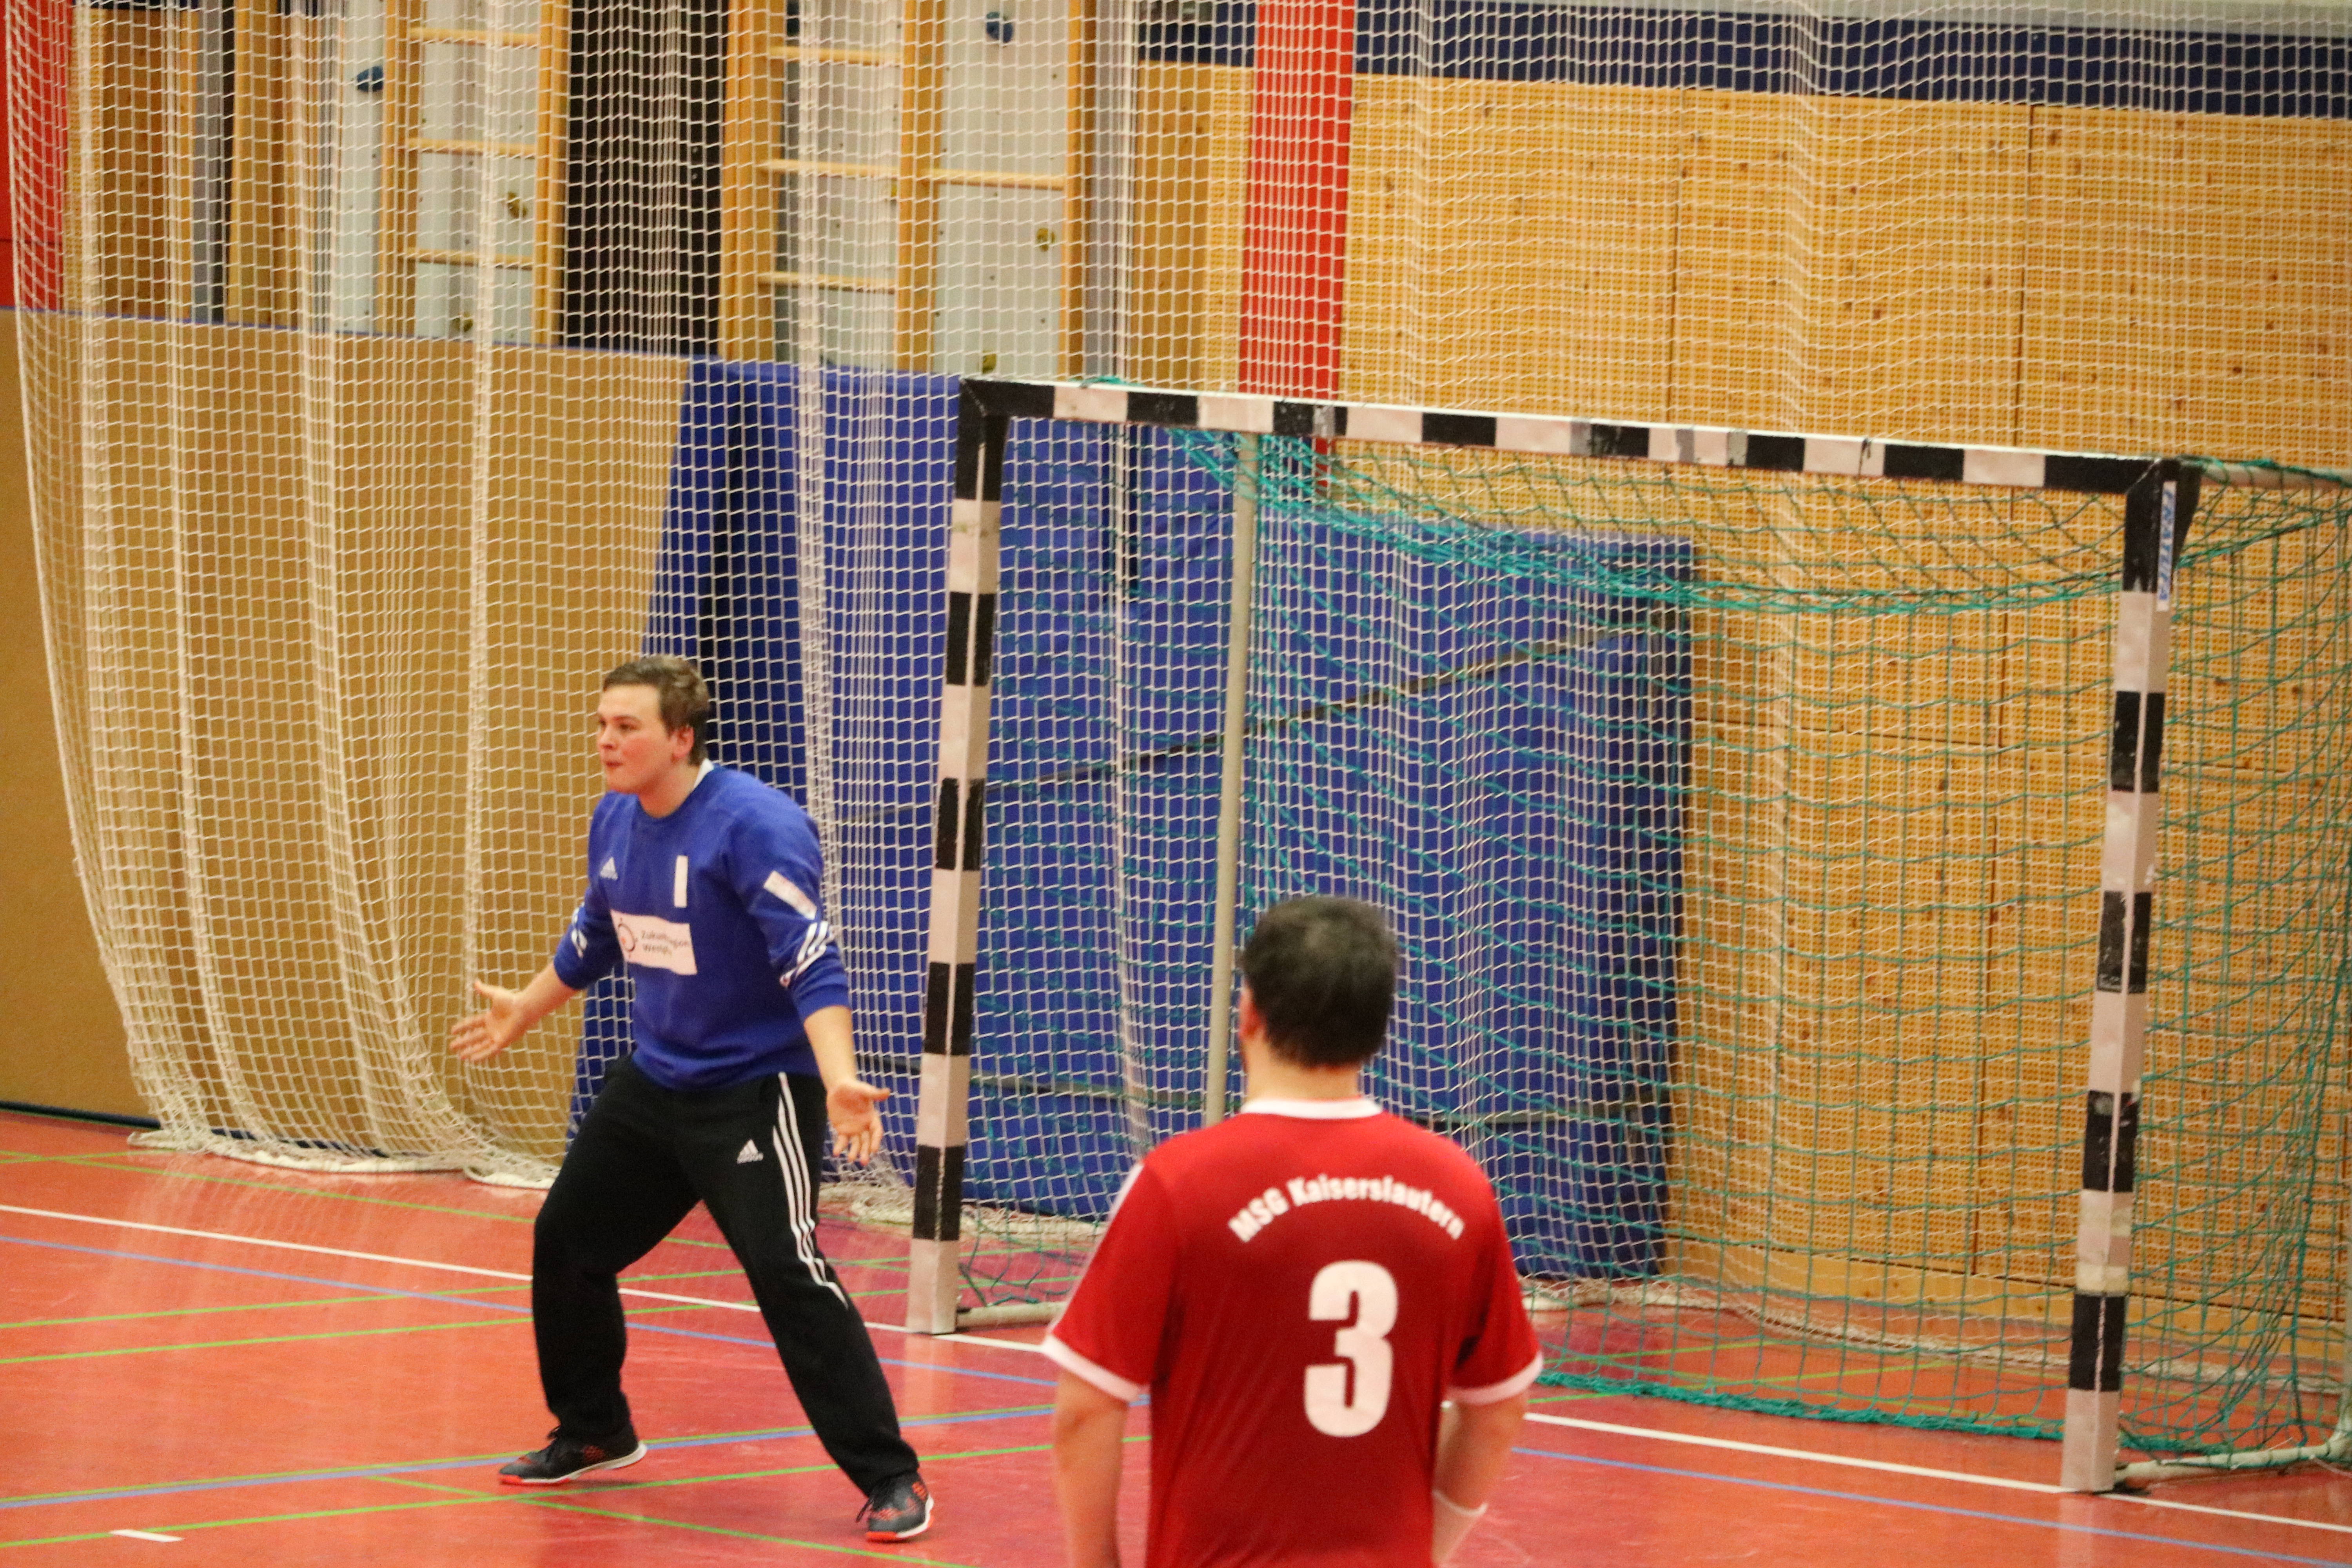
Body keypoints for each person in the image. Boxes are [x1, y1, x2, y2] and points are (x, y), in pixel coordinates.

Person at [449, 654, 933, 1543]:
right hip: (657, 1080)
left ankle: (891, 1474)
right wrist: (527, 1005)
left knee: (787, 1271)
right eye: (601, 724)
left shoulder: (755, 825)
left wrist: (838, 1078)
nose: (606, 741)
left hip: (755, 1090)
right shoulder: (615, 817)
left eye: (626, 726)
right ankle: (596, 1429)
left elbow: (810, 960)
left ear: (681, 738)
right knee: (568, 1241)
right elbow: (599, 933)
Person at [1045, 896, 1537, 1567]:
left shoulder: (1179, 1185)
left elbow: (1086, 1409)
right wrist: (1424, 1550)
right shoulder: (1460, 1188)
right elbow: (1498, 1410)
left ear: (1249, 1013)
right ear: (1377, 1029)